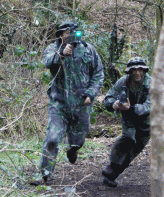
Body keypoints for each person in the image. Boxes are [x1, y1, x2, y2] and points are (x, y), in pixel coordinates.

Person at [37, 20, 104, 185]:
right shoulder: (53, 49)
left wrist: (91, 94)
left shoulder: (89, 50)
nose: (68, 35)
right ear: (60, 35)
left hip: (82, 104)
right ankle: (45, 174)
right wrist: (61, 54)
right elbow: (46, 62)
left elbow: (98, 74)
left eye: (72, 32)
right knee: (52, 137)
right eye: (65, 32)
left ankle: (73, 150)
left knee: (77, 140)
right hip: (58, 103)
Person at [102, 57, 151, 187]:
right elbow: (108, 98)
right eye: (134, 70)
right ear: (129, 72)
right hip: (128, 118)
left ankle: (111, 177)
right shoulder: (123, 82)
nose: (137, 73)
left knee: (133, 152)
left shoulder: (152, 84)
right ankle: (112, 164)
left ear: (145, 71)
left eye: (140, 69)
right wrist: (114, 104)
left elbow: (150, 106)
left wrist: (132, 107)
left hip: (147, 123)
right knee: (128, 138)